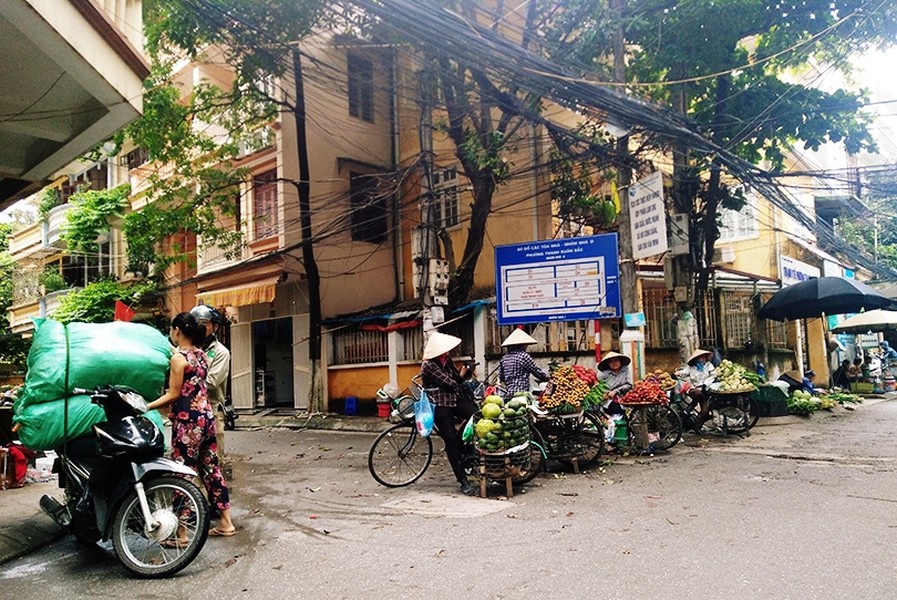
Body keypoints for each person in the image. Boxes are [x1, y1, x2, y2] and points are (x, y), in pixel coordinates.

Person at [148, 312, 236, 538]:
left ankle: (182, 533)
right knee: (211, 470)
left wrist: (145, 406)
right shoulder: (201, 355)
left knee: (182, 474)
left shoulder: (179, 359)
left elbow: (173, 394)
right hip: (206, 418)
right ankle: (226, 523)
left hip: (188, 423)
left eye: (171, 329)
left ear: (177, 330)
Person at [420, 331, 478, 496]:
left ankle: (462, 445)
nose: (447, 353)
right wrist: (461, 375)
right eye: (444, 351)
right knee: (450, 441)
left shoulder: (447, 361)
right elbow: (451, 382)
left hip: (454, 400)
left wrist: (465, 372)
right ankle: (463, 481)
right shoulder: (429, 365)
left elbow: (457, 381)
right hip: (439, 405)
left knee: (476, 415)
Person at [190, 305, 231, 461]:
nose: (199, 327)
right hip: (189, 412)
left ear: (215, 326)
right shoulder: (186, 348)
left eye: (204, 323)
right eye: (195, 323)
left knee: (212, 462)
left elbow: (211, 382)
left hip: (211, 410)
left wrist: (186, 384)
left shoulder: (221, 352)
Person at [499, 328, 549, 396]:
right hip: (521, 393)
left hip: (508, 393)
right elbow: (536, 371)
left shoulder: (504, 358)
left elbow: (501, 377)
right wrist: (547, 378)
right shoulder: (524, 356)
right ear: (521, 345)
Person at [683, 349, 716, 433]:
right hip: (694, 389)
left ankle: (698, 426)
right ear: (697, 358)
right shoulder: (691, 368)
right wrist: (677, 374)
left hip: (705, 390)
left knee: (705, 411)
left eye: (704, 357)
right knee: (697, 393)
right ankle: (692, 404)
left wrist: (706, 383)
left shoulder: (709, 366)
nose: (703, 359)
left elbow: (713, 375)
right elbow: (684, 374)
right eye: (701, 357)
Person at [596, 351, 633, 416]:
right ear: (608, 364)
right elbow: (599, 386)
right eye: (611, 362)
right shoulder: (604, 374)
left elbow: (629, 385)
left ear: (620, 361)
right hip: (609, 401)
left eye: (616, 360)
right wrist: (606, 393)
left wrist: (616, 391)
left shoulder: (625, 370)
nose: (614, 363)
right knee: (615, 410)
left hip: (625, 398)